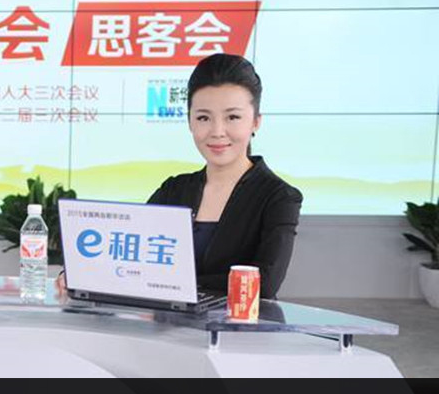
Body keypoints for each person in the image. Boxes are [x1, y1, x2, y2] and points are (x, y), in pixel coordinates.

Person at [57, 53, 302, 299]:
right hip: (165, 323)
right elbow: (129, 257)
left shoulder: (279, 197)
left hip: (239, 324)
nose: (217, 131)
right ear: (190, 122)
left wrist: (170, 284)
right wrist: (81, 274)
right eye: (203, 118)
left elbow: (264, 284)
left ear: (256, 122)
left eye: (233, 117)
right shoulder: (174, 190)